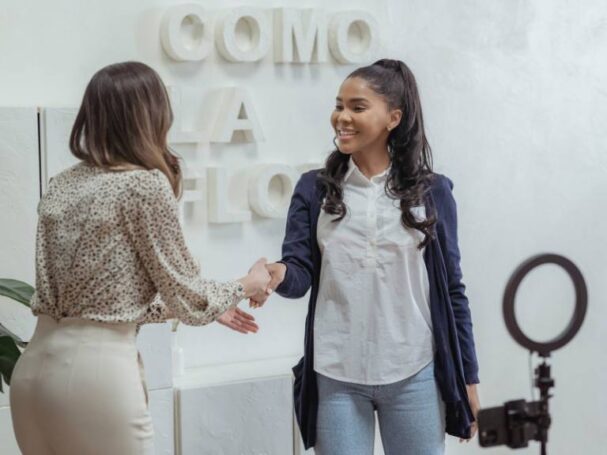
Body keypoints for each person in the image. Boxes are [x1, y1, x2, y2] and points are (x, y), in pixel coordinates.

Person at [9, 61, 270, 455]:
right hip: (97, 377)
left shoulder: (62, 185)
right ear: (153, 114)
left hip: (32, 373)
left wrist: (197, 305)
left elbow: (102, 303)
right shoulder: (143, 185)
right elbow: (189, 300)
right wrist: (246, 284)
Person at [254, 59, 481, 454]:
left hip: (415, 372)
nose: (341, 117)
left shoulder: (433, 192)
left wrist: (469, 382)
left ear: (393, 118)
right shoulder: (314, 190)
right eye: (339, 105)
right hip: (337, 374)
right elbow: (300, 273)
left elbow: (453, 291)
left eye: (357, 108)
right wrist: (276, 273)